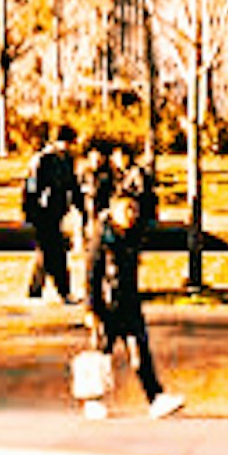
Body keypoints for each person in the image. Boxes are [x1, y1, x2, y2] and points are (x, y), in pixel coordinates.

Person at [86, 168, 181, 413]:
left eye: (134, 210)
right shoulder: (102, 236)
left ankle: (156, 398)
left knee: (140, 351)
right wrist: (91, 308)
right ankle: (94, 401)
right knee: (101, 355)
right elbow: (91, 274)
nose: (131, 215)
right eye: (126, 209)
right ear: (115, 209)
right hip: (106, 304)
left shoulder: (133, 234)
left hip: (129, 302)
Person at [20, 121, 82, 310]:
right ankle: (64, 292)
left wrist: (79, 207)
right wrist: (31, 214)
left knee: (47, 252)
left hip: (57, 212)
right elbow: (31, 188)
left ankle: (34, 290)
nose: (69, 147)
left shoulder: (66, 160)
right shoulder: (43, 160)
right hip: (43, 214)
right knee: (56, 253)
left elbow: (72, 185)